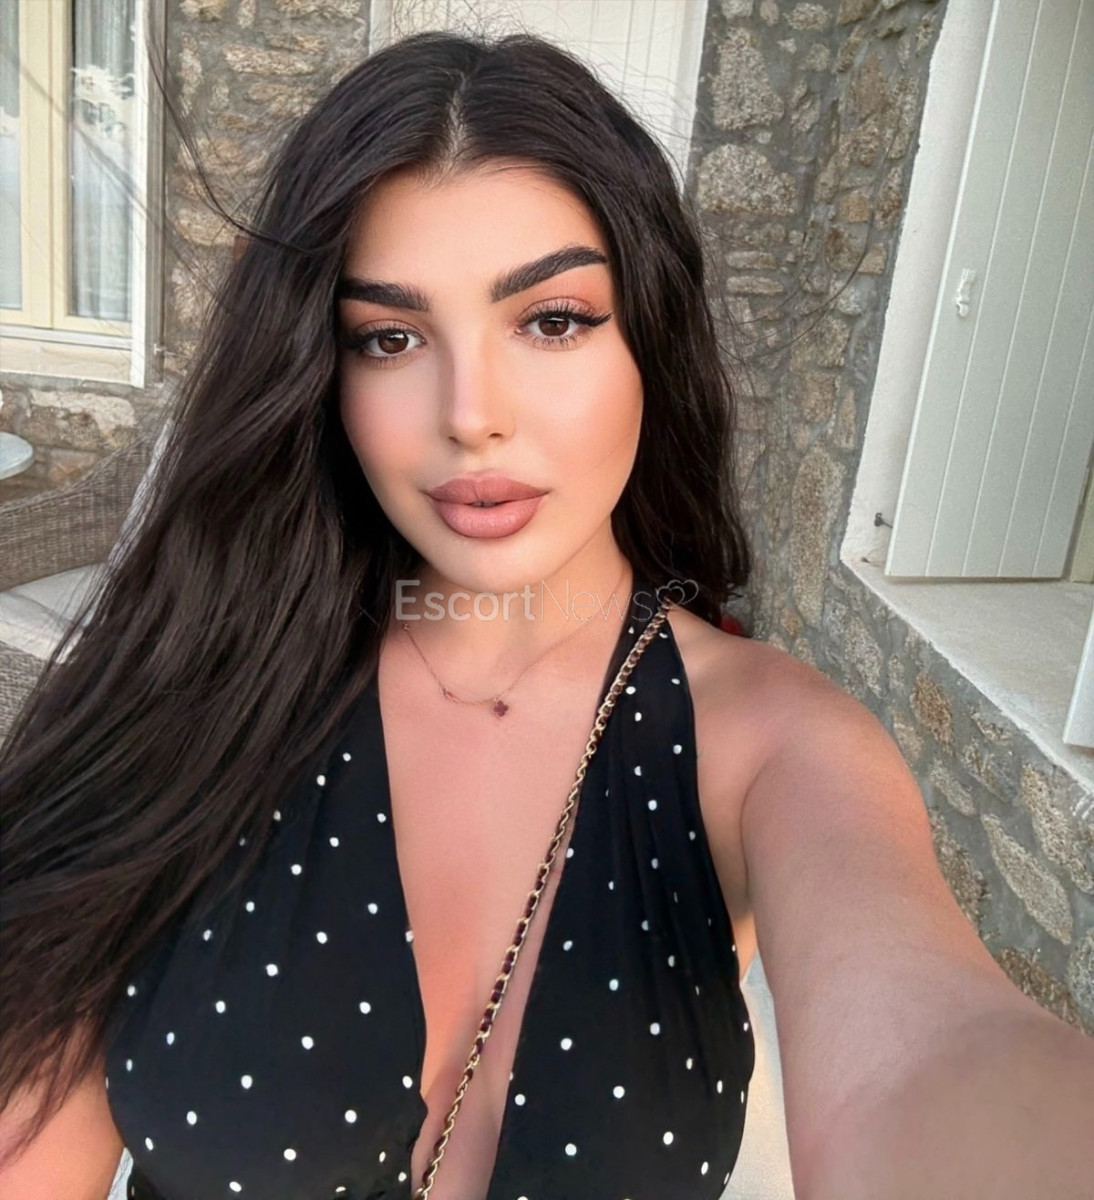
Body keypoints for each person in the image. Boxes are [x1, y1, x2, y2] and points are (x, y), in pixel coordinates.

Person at [1, 28, 1092, 1200]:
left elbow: (926, 1049)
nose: (472, 414)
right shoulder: (192, 690)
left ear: (650, 342)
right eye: (390, 337)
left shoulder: (773, 749)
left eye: (553, 319)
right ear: (325, 375)